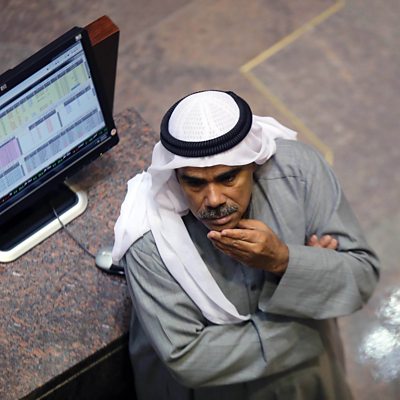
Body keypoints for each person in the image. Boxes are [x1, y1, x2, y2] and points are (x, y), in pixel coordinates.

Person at [112, 90, 379, 399]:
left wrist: (282, 260)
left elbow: (361, 277)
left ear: (253, 163)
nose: (213, 200)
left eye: (228, 178)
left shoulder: (298, 174)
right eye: (195, 183)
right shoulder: (150, 236)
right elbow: (188, 358)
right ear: (175, 177)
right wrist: (307, 316)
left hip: (303, 381)